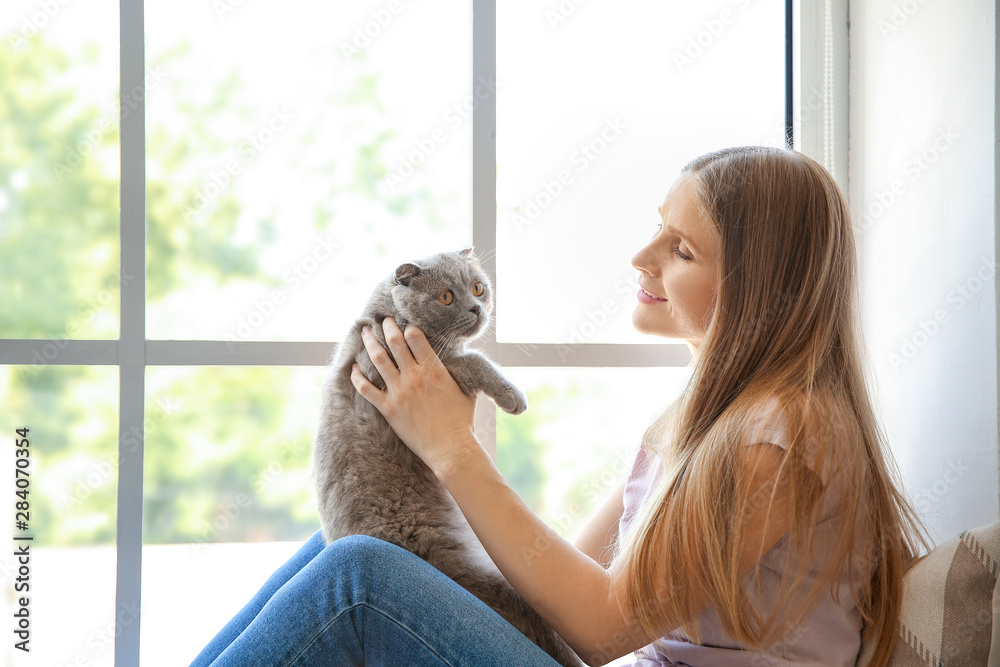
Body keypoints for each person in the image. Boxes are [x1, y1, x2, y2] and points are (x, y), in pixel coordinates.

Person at [192, 146, 927, 667]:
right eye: (656, 227)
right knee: (355, 545)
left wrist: (455, 451)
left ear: (763, 287)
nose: (641, 257)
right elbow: (560, 584)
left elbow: (603, 629)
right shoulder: (701, 420)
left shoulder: (785, 436)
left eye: (680, 250)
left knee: (359, 577)